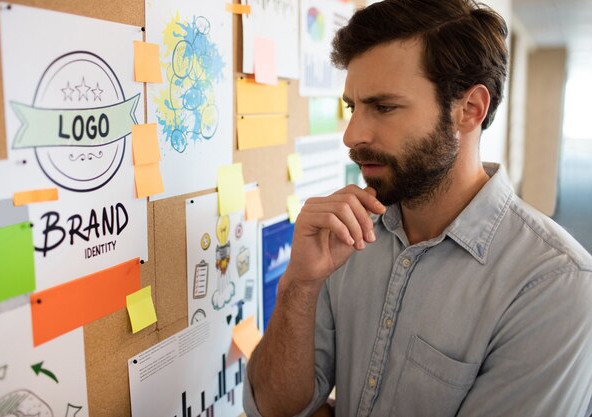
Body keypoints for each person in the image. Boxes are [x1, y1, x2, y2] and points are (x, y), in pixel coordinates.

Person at [243, 0, 592, 416]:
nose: (352, 135)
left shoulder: (555, 286)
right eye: (353, 107)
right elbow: (275, 407)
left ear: (470, 110)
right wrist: (298, 285)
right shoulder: (348, 236)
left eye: (384, 107)